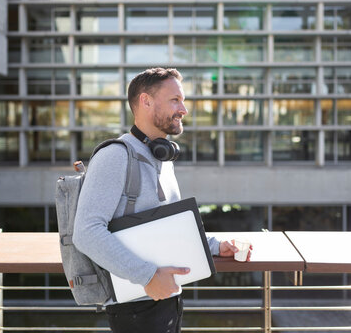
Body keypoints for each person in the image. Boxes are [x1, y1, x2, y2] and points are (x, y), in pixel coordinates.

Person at [73, 67, 251, 333]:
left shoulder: (162, 158)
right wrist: (147, 276)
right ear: (146, 101)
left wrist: (215, 245)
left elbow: (169, 228)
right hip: (135, 305)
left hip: (166, 297)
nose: (184, 110)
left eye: (183, 100)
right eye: (175, 100)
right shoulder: (114, 157)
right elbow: (86, 233)